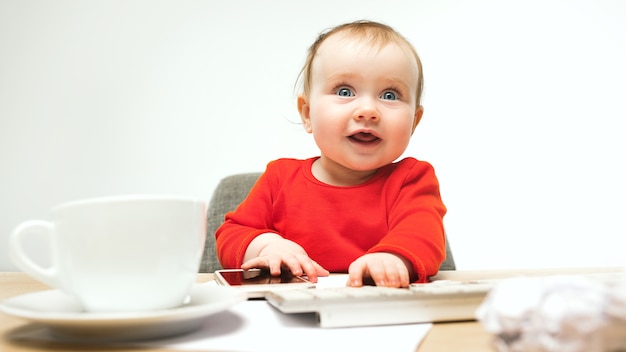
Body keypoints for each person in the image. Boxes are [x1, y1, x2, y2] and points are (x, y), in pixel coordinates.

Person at [215, 20, 447, 288]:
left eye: (390, 95)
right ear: (307, 113)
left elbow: (424, 235)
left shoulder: (412, 179)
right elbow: (231, 235)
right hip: (293, 315)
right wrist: (267, 247)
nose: (368, 110)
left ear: (414, 122)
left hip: (381, 310)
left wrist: (393, 257)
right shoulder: (279, 178)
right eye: (345, 91)